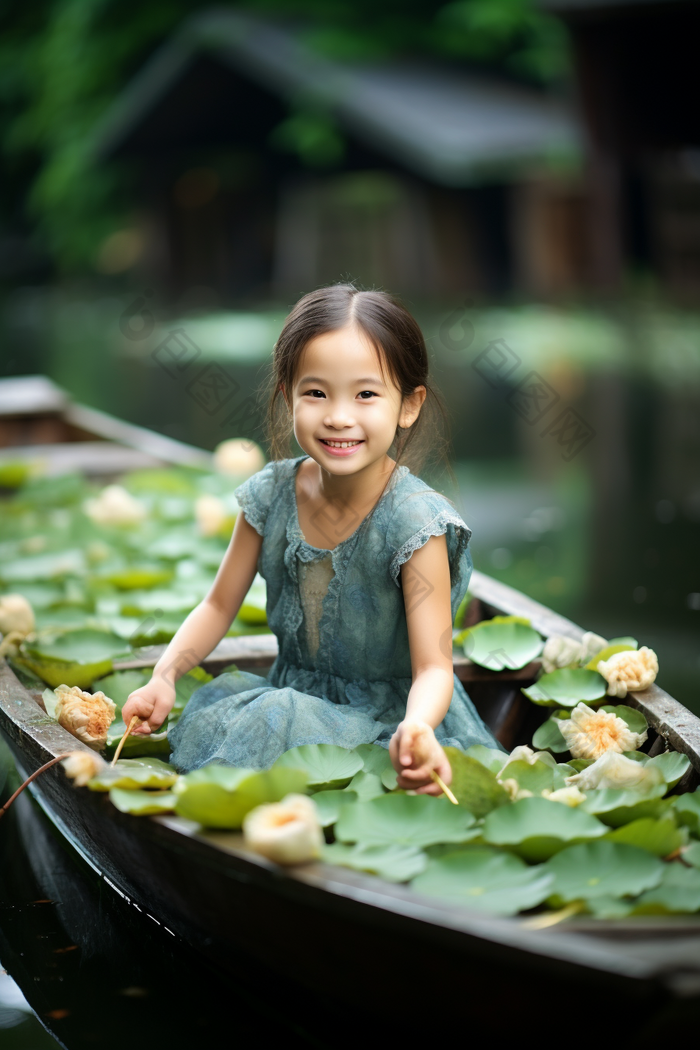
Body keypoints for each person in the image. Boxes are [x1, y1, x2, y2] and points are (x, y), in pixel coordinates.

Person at [122, 284, 502, 795]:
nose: (338, 416)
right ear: (287, 397)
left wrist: (418, 727)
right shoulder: (271, 494)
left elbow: (433, 666)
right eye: (316, 393)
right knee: (275, 715)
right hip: (286, 709)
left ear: (408, 406)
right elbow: (217, 605)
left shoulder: (416, 524)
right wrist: (164, 676)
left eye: (366, 394)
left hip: (390, 721)